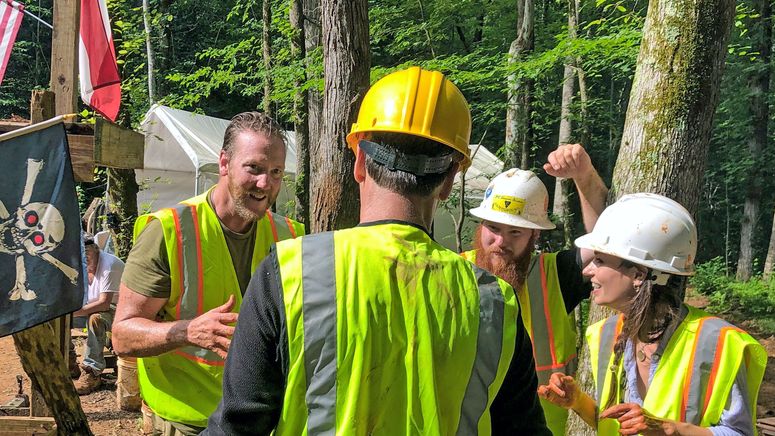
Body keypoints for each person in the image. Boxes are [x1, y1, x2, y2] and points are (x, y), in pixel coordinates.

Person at [204, 66, 550, 435]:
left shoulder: (291, 271)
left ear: (359, 162)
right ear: (450, 180)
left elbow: (237, 427)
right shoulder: (495, 303)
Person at [112, 111, 305, 435]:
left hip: (261, 423)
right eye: (254, 169)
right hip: (187, 424)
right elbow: (122, 335)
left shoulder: (291, 236)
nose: (265, 184)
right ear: (224, 164)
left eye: (276, 172)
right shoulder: (169, 231)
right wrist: (188, 331)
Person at [537, 193, 767, 435]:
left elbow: (739, 432)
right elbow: (616, 426)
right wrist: (577, 401)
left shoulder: (718, 343)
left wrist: (672, 430)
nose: (587, 270)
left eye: (600, 260)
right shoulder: (605, 335)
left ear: (639, 275)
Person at [462, 145, 607, 435]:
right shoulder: (456, 272)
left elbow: (605, 241)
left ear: (534, 234)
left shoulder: (554, 275)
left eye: (515, 232)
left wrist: (584, 176)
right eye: (494, 227)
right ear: (480, 225)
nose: (500, 241)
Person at [72, 233, 125, 395]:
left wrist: (74, 313)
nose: (84, 257)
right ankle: (69, 363)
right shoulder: (77, 266)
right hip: (95, 308)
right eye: (80, 253)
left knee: (96, 319)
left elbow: (104, 303)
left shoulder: (109, 265)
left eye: (87, 252)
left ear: (96, 249)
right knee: (60, 318)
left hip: (122, 310)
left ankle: (92, 371)